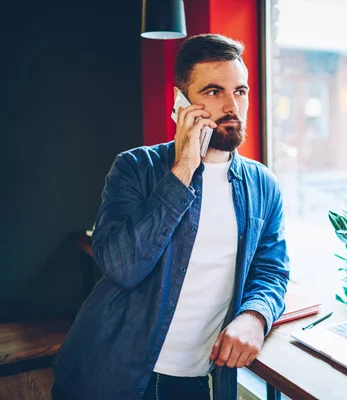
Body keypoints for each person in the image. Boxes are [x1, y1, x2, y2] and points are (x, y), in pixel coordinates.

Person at [52, 34, 290, 400]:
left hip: (195, 379)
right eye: (213, 92)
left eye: (240, 91)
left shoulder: (264, 185)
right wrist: (183, 169)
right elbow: (121, 266)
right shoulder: (135, 167)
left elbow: (272, 270)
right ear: (181, 103)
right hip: (109, 373)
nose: (232, 106)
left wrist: (255, 315)